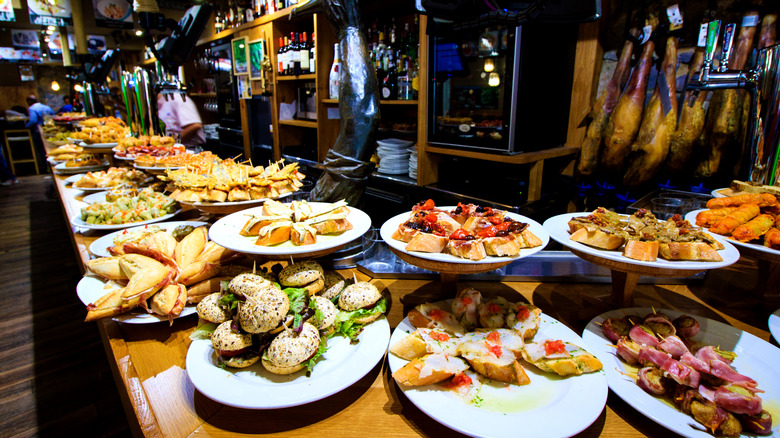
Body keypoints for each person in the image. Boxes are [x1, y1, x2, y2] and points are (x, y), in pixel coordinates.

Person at [25, 95, 54, 174]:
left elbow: (33, 121)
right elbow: (53, 117)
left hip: (39, 132)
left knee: (42, 151)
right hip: (51, 131)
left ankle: (47, 169)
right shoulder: (47, 107)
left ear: (29, 102)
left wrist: (26, 127)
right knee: (51, 150)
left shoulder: (32, 108)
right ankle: (52, 166)